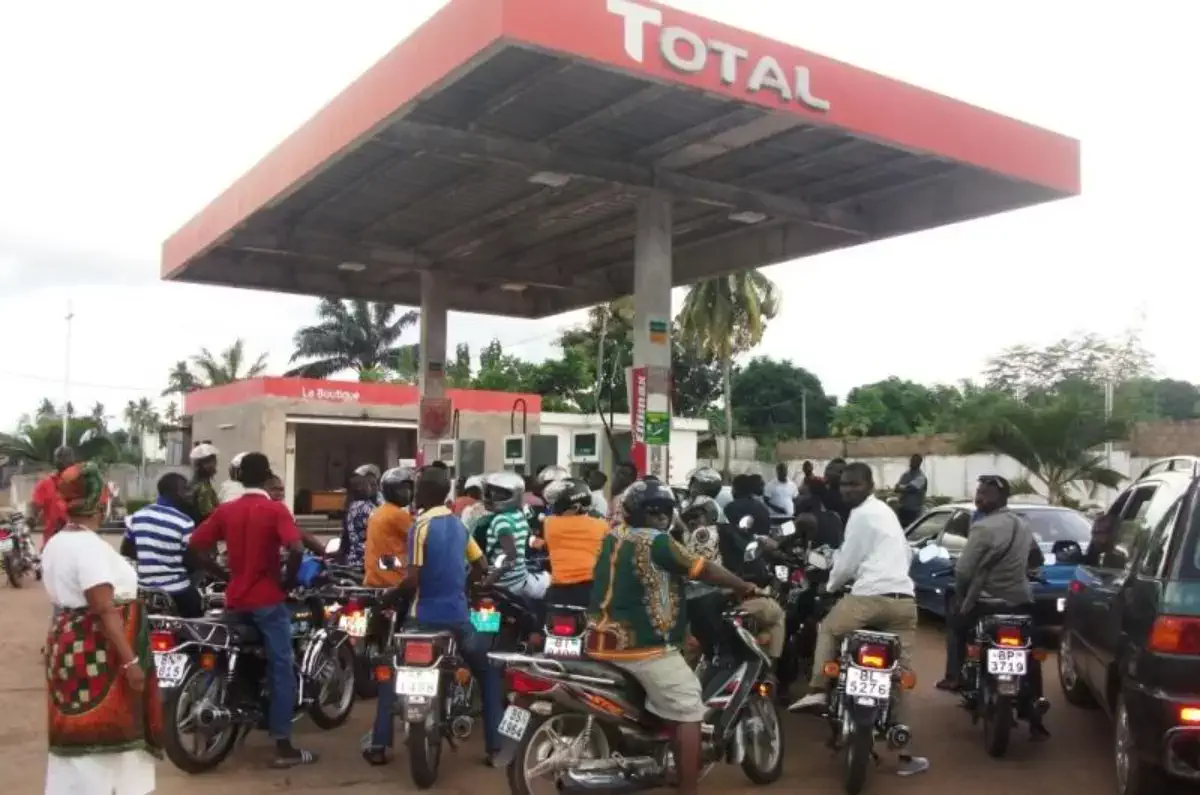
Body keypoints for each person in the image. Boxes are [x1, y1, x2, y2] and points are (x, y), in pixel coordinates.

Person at [588, 479, 762, 795]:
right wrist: (743, 586)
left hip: (599, 641)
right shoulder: (657, 543)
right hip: (642, 648)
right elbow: (703, 568)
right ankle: (688, 788)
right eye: (657, 511)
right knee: (689, 707)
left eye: (664, 511)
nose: (661, 517)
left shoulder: (612, 536)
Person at [789, 463, 926, 774]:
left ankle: (817, 690)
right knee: (897, 674)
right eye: (844, 485)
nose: (848, 490)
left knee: (829, 628)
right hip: (904, 603)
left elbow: (847, 563)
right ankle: (904, 752)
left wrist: (830, 587)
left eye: (854, 484)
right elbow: (903, 554)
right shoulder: (886, 513)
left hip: (868, 598)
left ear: (870, 485)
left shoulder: (860, 515)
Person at [189, 452, 320, 768]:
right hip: (268, 603)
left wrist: (226, 577)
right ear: (266, 477)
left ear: (238, 477)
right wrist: (287, 582)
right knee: (281, 669)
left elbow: (195, 547)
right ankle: (283, 747)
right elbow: (297, 548)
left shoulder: (227, 510)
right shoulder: (275, 510)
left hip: (235, 601)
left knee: (233, 655)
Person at [367, 466, 502, 765]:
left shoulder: (420, 526)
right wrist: (463, 587)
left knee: (391, 672)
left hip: (423, 619)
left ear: (424, 492)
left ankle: (379, 744)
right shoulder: (459, 527)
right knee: (488, 672)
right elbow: (481, 566)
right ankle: (495, 748)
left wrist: (391, 596)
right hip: (458, 620)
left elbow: (412, 579)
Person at [42, 462, 161, 795]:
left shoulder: (57, 542)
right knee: (105, 733)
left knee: (76, 731)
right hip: (100, 651)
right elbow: (103, 607)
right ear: (99, 503)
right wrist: (130, 661)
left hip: (68, 645)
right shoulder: (88, 548)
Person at [938, 476, 1049, 735]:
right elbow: (1037, 557)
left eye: (985, 493)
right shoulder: (1022, 525)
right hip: (1020, 601)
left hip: (986, 603)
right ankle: (1035, 708)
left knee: (956, 624)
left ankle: (955, 676)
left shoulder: (983, 527)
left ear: (1001, 498)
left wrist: (963, 596)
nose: (979, 498)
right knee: (1030, 650)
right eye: (978, 492)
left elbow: (964, 571)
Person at [121, 472, 218, 618]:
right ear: (175, 492)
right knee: (199, 616)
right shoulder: (184, 521)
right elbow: (194, 559)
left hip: (145, 590)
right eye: (186, 489)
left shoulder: (137, 517)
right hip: (177, 591)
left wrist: (151, 558)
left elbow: (126, 550)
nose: (190, 494)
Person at [480, 471, 550, 599]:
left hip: (502, 581)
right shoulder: (517, 515)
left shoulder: (500, 519)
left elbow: (510, 555)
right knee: (550, 582)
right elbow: (511, 556)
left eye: (498, 494)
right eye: (490, 492)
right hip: (513, 583)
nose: (491, 497)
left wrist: (489, 579)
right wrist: (490, 580)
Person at [542, 479, 608, 607]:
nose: (555, 508)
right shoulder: (602, 526)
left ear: (574, 507)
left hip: (559, 590)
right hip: (591, 589)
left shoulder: (549, 523)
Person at [364, 468, 415, 589]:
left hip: (374, 577)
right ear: (390, 491)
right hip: (393, 581)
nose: (407, 493)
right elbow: (422, 538)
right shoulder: (397, 515)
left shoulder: (377, 512)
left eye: (408, 488)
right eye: (402, 489)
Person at [31, 445, 73, 547]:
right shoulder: (44, 484)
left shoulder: (83, 483)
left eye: (66, 456)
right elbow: (34, 509)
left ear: (72, 459)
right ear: (55, 460)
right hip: (52, 541)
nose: (63, 460)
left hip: (77, 541)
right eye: (59, 457)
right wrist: (29, 522)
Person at [339, 474, 374, 570]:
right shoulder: (366, 508)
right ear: (360, 488)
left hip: (354, 560)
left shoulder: (351, 506)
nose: (370, 488)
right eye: (368, 485)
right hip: (368, 560)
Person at [186, 443, 220, 524]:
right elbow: (209, 514)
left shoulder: (192, 483)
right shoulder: (204, 488)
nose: (215, 465)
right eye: (213, 462)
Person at [894, 454, 928, 528]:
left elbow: (911, 489)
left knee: (912, 530)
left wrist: (902, 487)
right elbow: (896, 488)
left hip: (914, 511)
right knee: (901, 530)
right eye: (912, 460)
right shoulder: (905, 474)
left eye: (915, 461)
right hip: (903, 509)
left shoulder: (921, 477)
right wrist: (904, 487)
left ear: (919, 463)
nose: (912, 462)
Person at [607, 462, 639, 528]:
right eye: (617, 473)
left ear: (631, 478)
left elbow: (619, 521)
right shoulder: (616, 495)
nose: (616, 476)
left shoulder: (629, 497)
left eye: (622, 473)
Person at [821, 458, 850, 524]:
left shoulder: (848, 496)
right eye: (828, 469)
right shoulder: (823, 492)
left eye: (830, 470)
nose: (827, 473)